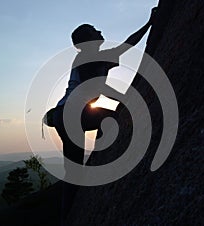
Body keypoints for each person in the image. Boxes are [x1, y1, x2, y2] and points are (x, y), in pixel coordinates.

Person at [53, 8, 157, 223]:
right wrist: (125, 99)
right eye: (93, 31)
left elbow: (125, 46)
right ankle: (67, 218)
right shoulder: (89, 58)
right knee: (108, 122)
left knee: (74, 170)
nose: (99, 31)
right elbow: (101, 86)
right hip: (71, 114)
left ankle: (67, 215)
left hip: (66, 114)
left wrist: (148, 24)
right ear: (87, 41)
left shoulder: (93, 57)